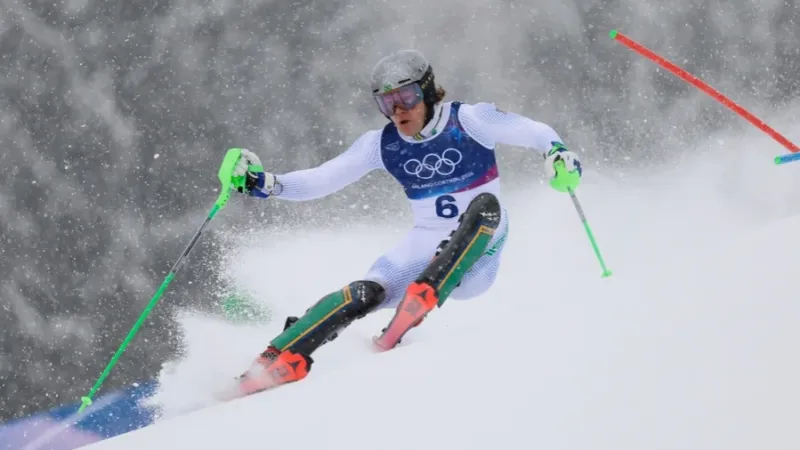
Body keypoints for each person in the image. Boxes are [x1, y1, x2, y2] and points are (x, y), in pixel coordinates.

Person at [226, 50, 582, 396]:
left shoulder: (470, 120)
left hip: (479, 252)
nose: (398, 111)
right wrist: (264, 184)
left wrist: (557, 151)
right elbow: (324, 178)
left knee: (488, 206)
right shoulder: (380, 145)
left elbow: (532, 130)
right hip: (425, 245)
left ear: (427, 91)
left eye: (407, 98)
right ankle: (277, 357)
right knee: (367, 291)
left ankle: (427, 289)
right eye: (386, 103)